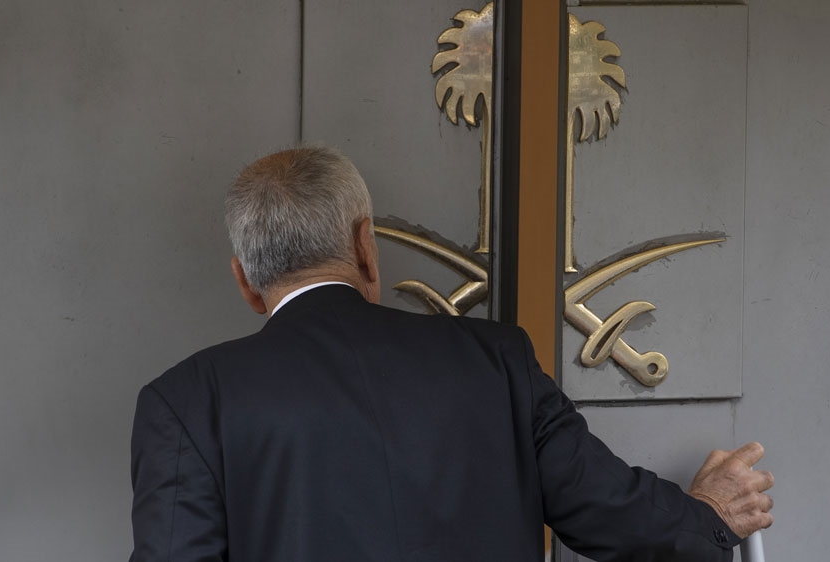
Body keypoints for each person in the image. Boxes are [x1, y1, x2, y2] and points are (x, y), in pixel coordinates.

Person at [129, 145, 773, 562]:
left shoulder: (185, 403)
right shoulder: (497, 360)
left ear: (245, 281)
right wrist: (709, 516)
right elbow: (610, 510)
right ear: (365, 246)